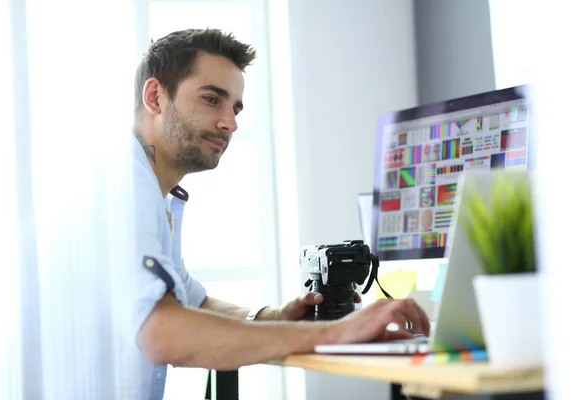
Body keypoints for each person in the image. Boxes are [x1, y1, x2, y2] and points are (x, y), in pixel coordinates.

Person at [131, 28, 430, 399]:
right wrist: (336, 333)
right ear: (155, 97)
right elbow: (163, 333)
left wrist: (276, 317)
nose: (230, 123)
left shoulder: (151, 192)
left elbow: (195, 304)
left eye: (236, 108)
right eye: (211, 99)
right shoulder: (126, 187)